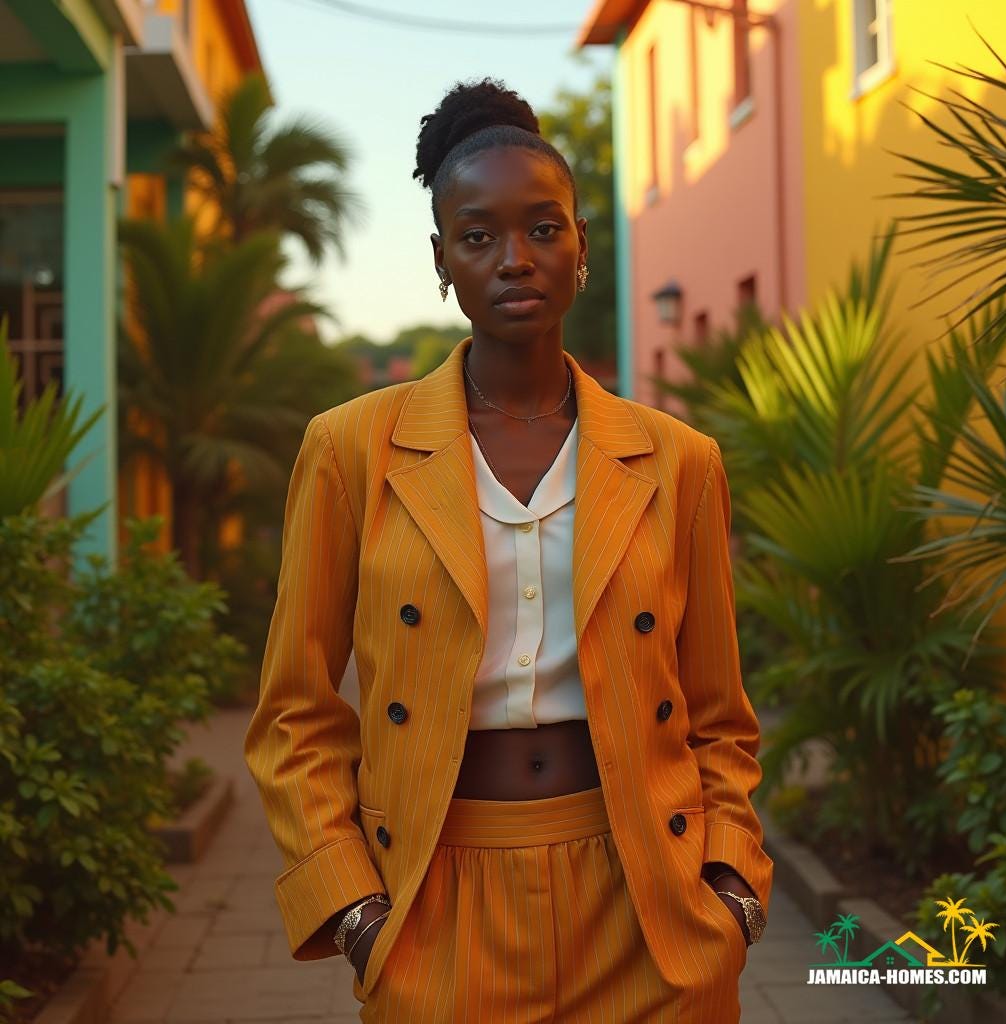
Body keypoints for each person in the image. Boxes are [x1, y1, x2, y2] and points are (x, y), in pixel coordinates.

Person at [243, 76, 772, 1023]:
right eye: (478, 237)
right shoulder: (351, 450)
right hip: (435, 901)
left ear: (580, 249)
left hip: (649, 900)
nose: (514, 259)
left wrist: (730, 883)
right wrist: (354, 907)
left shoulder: (678, 460)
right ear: (442, 261)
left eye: (542, 229)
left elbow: (718, 712)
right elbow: (293, 709)